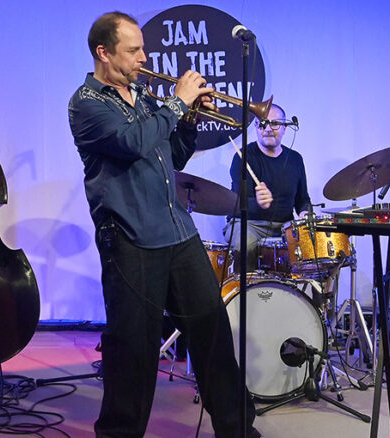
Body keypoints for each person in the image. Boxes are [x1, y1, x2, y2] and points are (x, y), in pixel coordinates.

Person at [68, 12, 259, 438]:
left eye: (142, 49)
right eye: (133, 50)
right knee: (132, 351)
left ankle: (239, 430)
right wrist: (178, 103)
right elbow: (134, 142)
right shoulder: (86, 103)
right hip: (131, 238)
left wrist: (190, 119)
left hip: (178, 232)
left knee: (212, 335)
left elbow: (171, 156)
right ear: (103, 52)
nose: (143, 57)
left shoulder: (143, 95)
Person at [225, 104, 311, 270]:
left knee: (315, 250)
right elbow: (236, 203)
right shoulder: (243, 157)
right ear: (256, 127)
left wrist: (304, 213)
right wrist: (258, 203)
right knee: (245, 243)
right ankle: (246, 286)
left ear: (285, 127)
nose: (268, 129)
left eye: (275, 123)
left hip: (284, 227)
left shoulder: (295, 159)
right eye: (263, 123)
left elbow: (303, 199)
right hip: (248, 224)